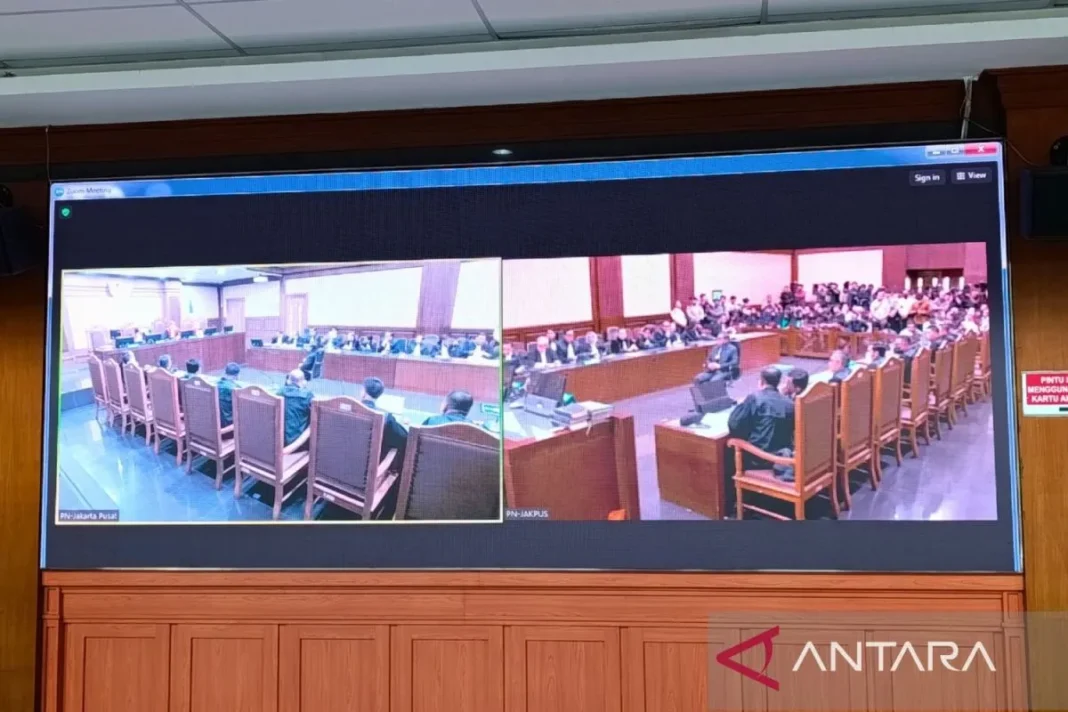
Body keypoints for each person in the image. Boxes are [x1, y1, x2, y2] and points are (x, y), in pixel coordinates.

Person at [727, 367, 796, 495]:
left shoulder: (754, 398)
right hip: (782, 456)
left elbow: (734, 425)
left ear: (761, 382)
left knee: (729, 446)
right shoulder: (790, 403)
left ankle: (732, 497)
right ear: (778, 382)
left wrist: (742, 405)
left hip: (759, 458)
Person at [361, 377, 409, 464]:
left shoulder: (347, 410)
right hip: (368, 465)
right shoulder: (385, 417)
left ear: (363, 393)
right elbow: (403, 437)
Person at [278, 369, 314, 447]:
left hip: (279, 442)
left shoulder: (279, 392)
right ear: (303, 382)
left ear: (288, 381)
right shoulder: (308, 396)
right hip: (299, 445)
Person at [216, 362, 242, 427]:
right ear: (237, 376)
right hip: (230, 422)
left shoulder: (216, 385)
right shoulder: (236, 389)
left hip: (217, 420)